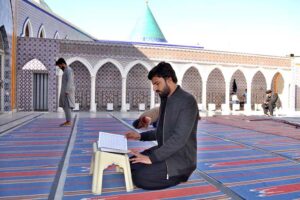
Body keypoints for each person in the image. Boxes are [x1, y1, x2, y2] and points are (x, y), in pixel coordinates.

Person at [125, 62, 199, 190]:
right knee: (131, 163)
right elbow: (162, 131)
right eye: (153, 84)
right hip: (166, 152)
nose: (154, 88)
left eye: (157, 83)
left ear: (169, 79)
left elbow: (179, 139)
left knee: (140, 177)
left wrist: (152, 159)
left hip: (180, 160)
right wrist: (140, 136)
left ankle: (179, 176)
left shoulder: (187, 101)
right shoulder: (166, 99)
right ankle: (157, 169)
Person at [56, 58, 75, 126]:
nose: (60, 67)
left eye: (60, 66)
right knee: (65, 106)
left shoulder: (69, 70)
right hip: (65, 91)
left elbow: (70, 81)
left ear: (63, 64)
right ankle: (67, 120)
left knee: (67, 106)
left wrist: (67, 91)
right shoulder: (66, 70)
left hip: (67, 92)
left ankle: (69, 121)